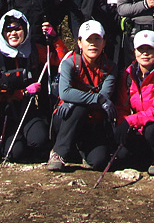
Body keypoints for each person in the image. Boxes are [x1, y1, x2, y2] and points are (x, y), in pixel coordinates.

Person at [0, 11, 56, 163]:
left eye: (18, 29)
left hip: (28, 110)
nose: (13, 33)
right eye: (8, 30)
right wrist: (22, 93)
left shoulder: (34, 50)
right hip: (4, 113)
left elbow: (61, 59)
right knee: (15, 154)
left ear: (26, 30)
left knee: (41, 140)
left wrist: (55, 39)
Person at [48, 20, 117, 172]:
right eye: (88, 40)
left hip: (93, 121)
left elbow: (105, 93)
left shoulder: (110, 67)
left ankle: (78, 150)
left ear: (104, 42)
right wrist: (97, 98)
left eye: (97, 39)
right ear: (79, 43)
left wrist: (76, 98)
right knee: (79, 109)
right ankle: (58, 153)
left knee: (99, 161)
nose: (93, 44)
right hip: (67, 118)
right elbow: (64, 92)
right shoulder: (69, 63)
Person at [115, 30, 154, 175]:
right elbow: (122, 105)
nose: (145, 54)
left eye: (150, 49)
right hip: (138, 128)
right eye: (141, 49)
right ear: (134, 51)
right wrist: (123, 124)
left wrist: (131, 121)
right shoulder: (128, 74)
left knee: (151, 130)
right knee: (122, 156)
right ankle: (145, 159)